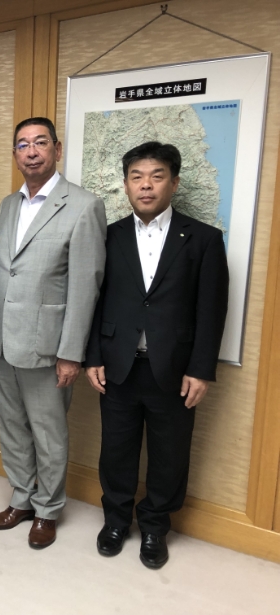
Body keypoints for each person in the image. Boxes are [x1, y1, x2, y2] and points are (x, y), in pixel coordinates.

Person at [85, 142, 228, 569]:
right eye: (137, 177)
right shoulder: (108, 236)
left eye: (156, 176)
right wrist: (93, 356)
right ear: (126, 184)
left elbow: (211, 310)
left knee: (170, 454)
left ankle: (154, 527)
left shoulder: (203, 239)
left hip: (175, 369)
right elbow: (94, 300)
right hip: (118, 365)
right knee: (116, 450)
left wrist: (201, 369)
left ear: (174, 182)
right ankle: (115, 521)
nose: (146, 185)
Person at [0, 117, 106, 549]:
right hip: (4, 341)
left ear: (56, 148)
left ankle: (48, 509)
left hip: (48, 344)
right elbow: (1, 274)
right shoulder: (8, 205)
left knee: (48, 432)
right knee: (12, 426)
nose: (31, 151)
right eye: (22, 144)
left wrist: (71, 352)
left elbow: (86, 285)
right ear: (15, 154)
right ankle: (21, 498)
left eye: (40, 142)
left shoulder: (84, 205)